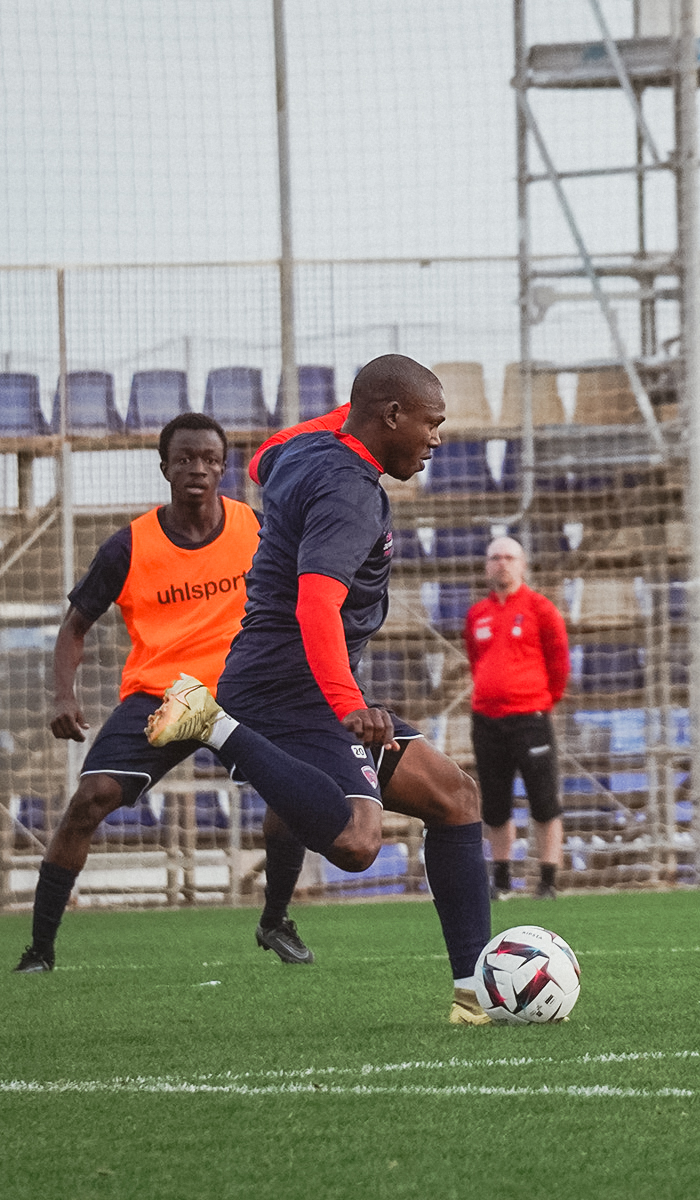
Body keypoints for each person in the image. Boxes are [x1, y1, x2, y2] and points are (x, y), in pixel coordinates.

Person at [144, 354, 494, 1024]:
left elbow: (261, 459)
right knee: (359, 843)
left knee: (454, 796)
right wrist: (350, 707)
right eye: (431, 423)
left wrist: (356, 411)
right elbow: (315, 608)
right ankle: (206, 720)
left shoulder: (303, 450)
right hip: (289, 687)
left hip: (287, 676)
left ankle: (476, 996)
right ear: (391, 416)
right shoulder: (351, 492)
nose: (437, 440)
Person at [14, 413, 313, 970]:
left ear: (224, 468)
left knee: (291, 800)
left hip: (242, 691)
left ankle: (274, 921)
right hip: (163, 698)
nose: (197, 468)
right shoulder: (129, 545)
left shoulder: (258, 528)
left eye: (208, 459)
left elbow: (305, 598)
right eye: (184, 459)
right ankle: (40, 950)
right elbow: (74, 627)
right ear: (165, 467)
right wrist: (63, 696)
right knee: (88, 800)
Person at [464, 536, 570, 900]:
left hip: (530, 717)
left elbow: (559, 664)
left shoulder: (541, 609)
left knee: (544, 800)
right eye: (495, 557)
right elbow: (475, 659)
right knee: (494, 803)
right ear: (486, 565)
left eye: (509, 557)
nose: (502, 564)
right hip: (487, 720)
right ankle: (502, 880)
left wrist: (541, 700)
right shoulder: (477, 614)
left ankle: (547, 880)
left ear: (523, 564)